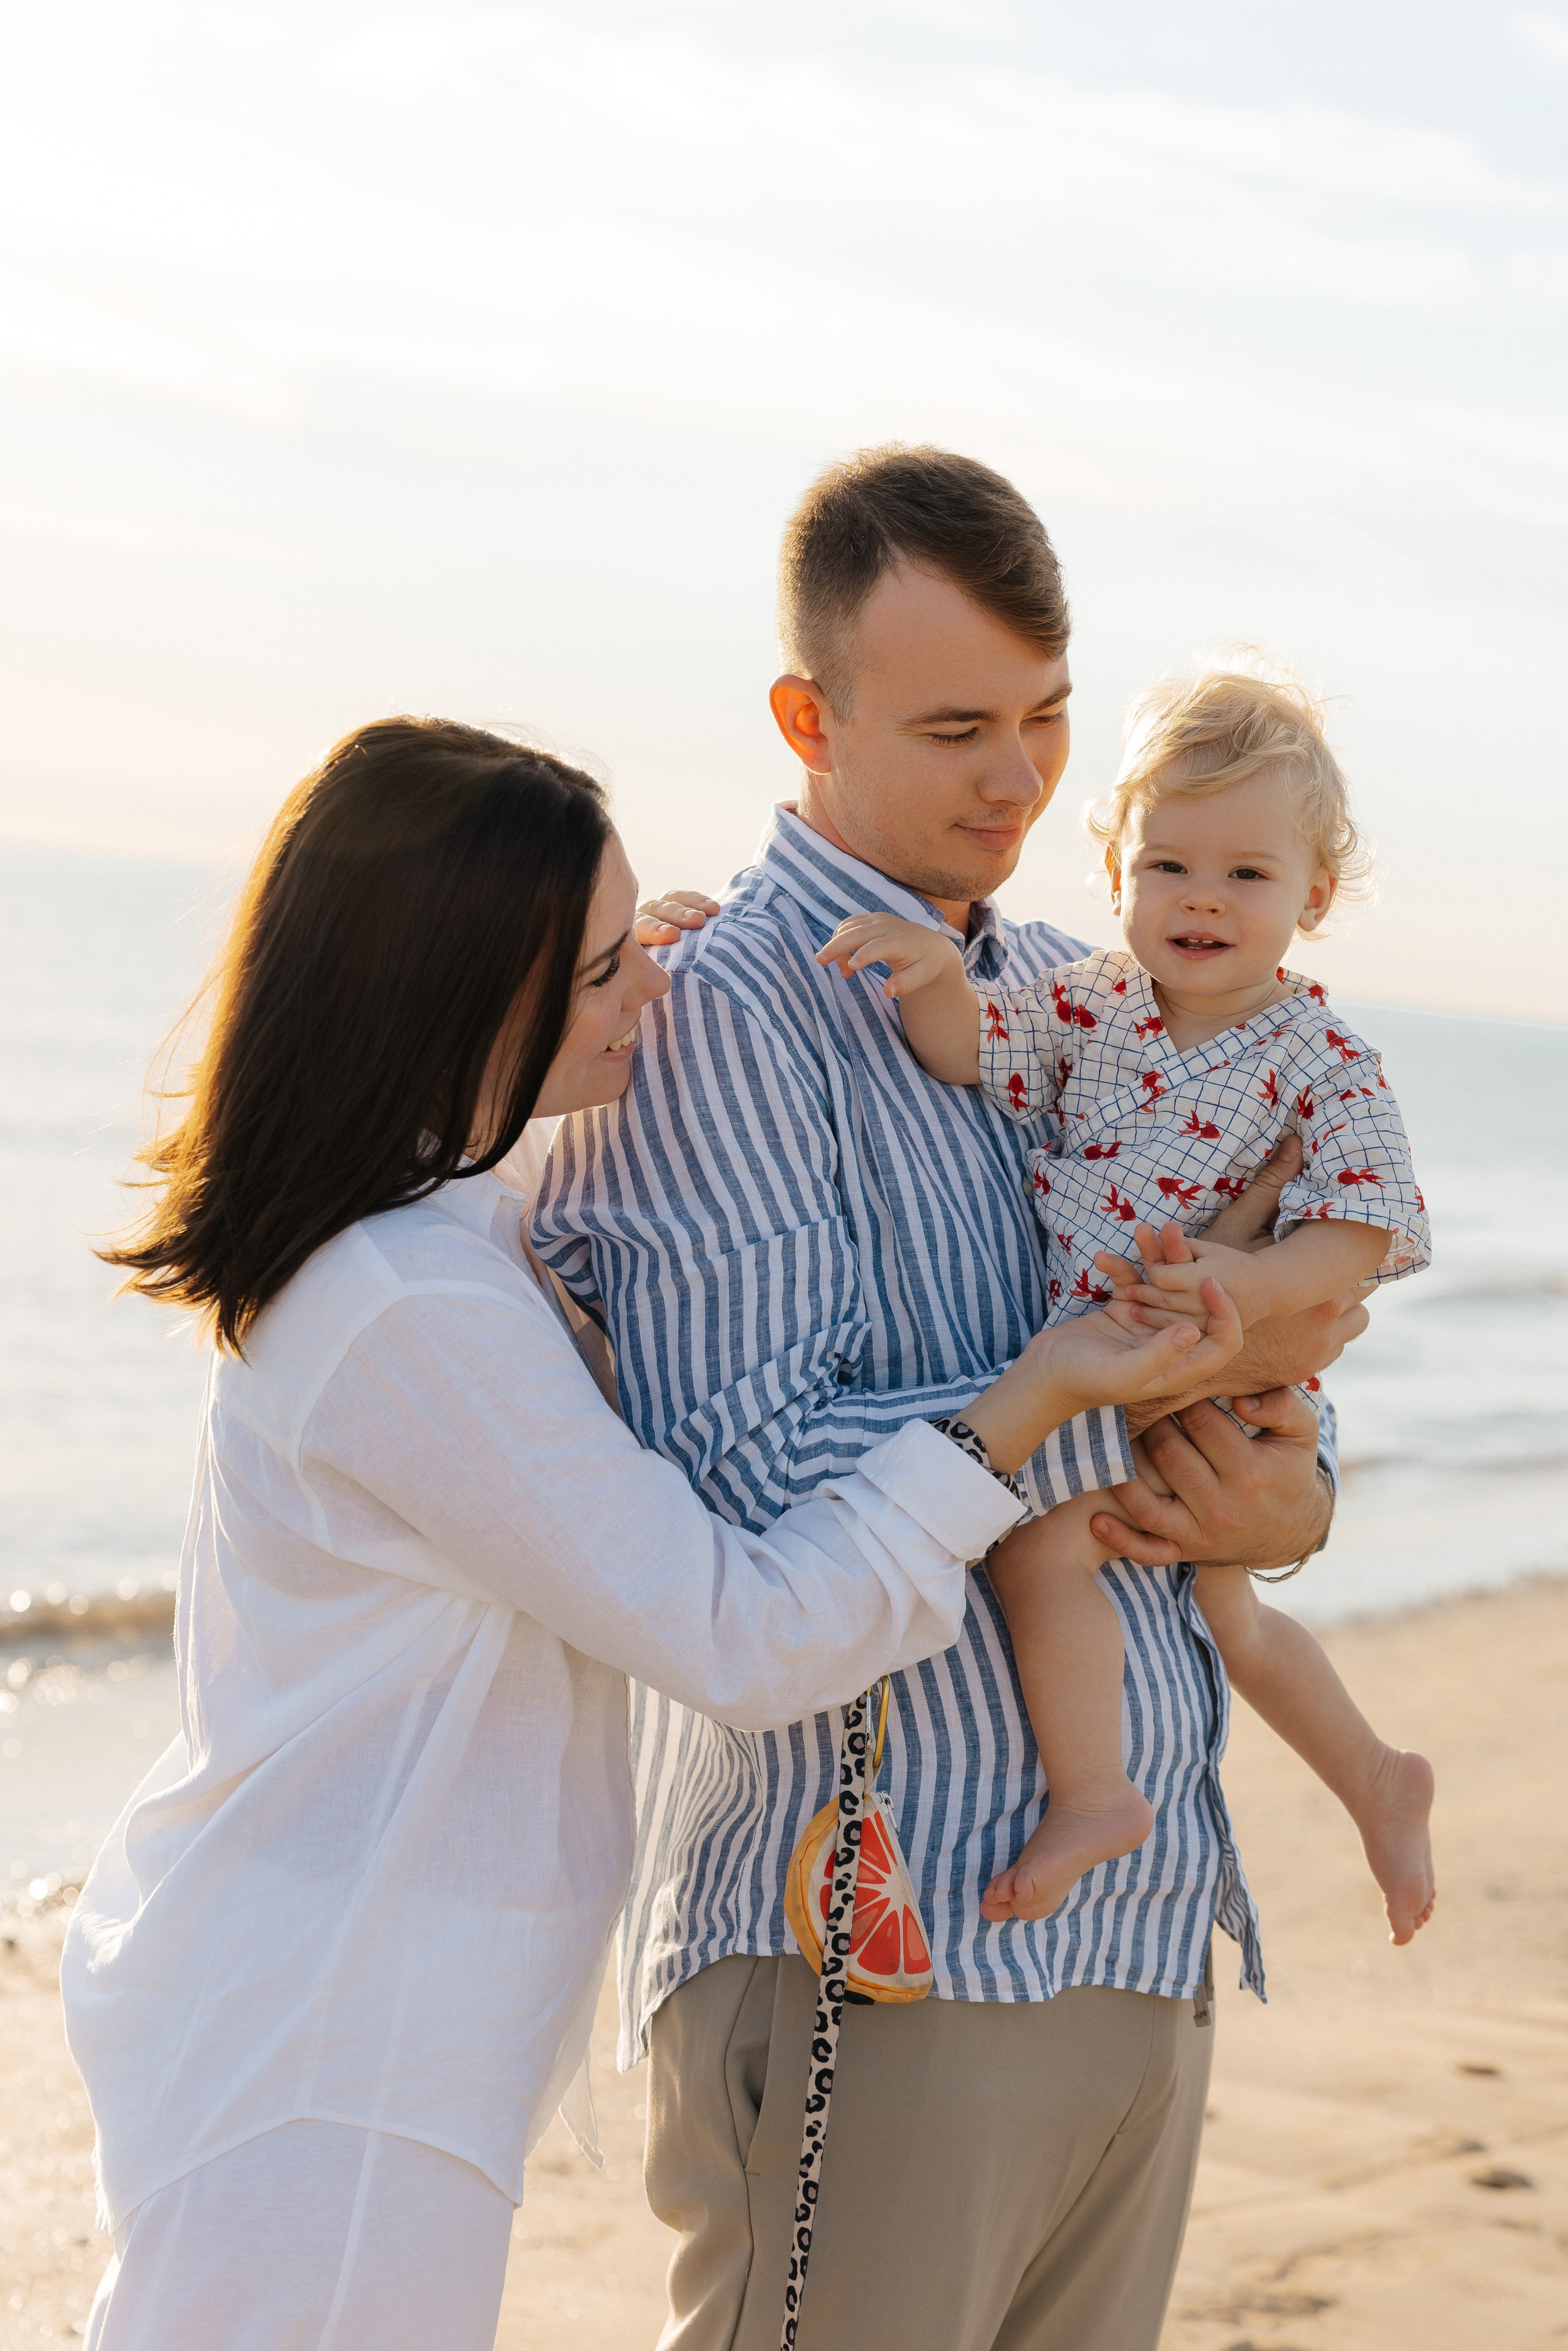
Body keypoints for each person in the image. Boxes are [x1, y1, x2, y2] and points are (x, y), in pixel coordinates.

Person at [59, 717, 1213, 2351]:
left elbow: (548, 1262)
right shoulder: (409, 1308)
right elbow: (740, 1635)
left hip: (347, 2016)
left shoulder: (439, 1233)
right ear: (460, 1002)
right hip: (334, 2045)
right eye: (606, 969)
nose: (659, 990)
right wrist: (1018, 1413)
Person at [536, 447, 1372, 2351]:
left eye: (1052, 716)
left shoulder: (1108, 992)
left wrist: (1290, 1491)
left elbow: (1274, 1374)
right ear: (807, 719)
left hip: (1144, 1921)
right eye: (959, 727)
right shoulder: (713, 1013)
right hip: (879, 1955)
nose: (1022, 779)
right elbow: (739, 1481)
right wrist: (1100, 1404)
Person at [816, 659, 1438, 1939]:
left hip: (1209, 1362)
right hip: (1107, 1367)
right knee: (1213, 1597)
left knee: (1077, 1553)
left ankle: (1099, 1795)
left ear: (1310, 895)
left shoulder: (1320, 1058)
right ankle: (1376, 1776)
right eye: (1169, 866)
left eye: (1245, 875)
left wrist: (1252, 1278)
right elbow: (969, 1051)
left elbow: (1369, 1226)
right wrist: (933, 973)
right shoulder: (1086, 1001)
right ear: (1117, 873)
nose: (1200, 899)